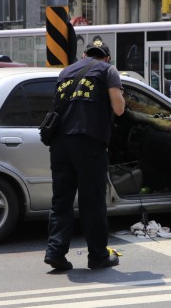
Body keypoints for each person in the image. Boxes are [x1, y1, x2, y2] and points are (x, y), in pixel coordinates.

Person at [44, 38, 125, 271]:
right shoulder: (108, 70)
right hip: (89, 143)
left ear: (84, 55)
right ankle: (98, 257)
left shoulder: (65, 72)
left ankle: (55, 252)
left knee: (61, 201)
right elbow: (119, 109)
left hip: (60, 144)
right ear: (107, 57)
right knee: (93, 202)